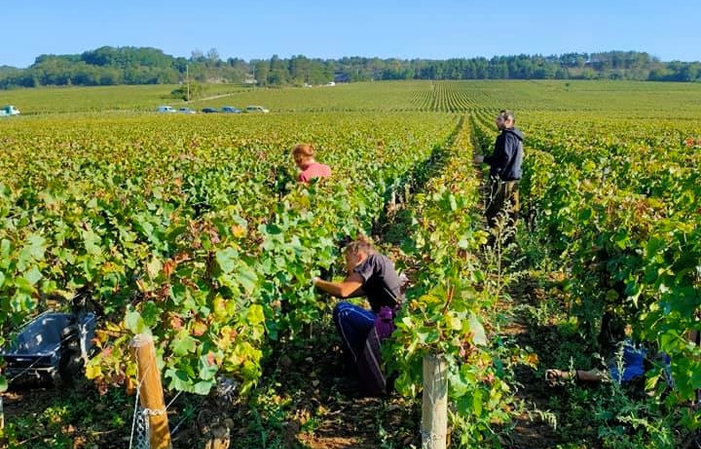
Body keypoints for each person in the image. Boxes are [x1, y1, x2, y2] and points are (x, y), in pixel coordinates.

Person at [312, 237, 404, 395]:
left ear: (360, 256)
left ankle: (359, 369)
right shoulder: (378, 266)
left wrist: (316, 282)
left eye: (348, 260)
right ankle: (364, 363)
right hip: (390, 320)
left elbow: (343, 291)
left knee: (343, 311)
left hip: (388, 323)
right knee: (351, 312)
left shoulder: (373, 260)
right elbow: (349, 291)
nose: (346, 266)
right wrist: (328, 287)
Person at [474, 110, 524, 237]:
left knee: (496, 211)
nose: (496, 121)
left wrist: (483, 159)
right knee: (512, 211)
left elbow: (504, 158)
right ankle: (509, 239)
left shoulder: (506, 136)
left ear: (508, 121)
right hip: (514, 180)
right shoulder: (517, 137)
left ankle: (494, 240)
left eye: (499, 119)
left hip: (504, 180)